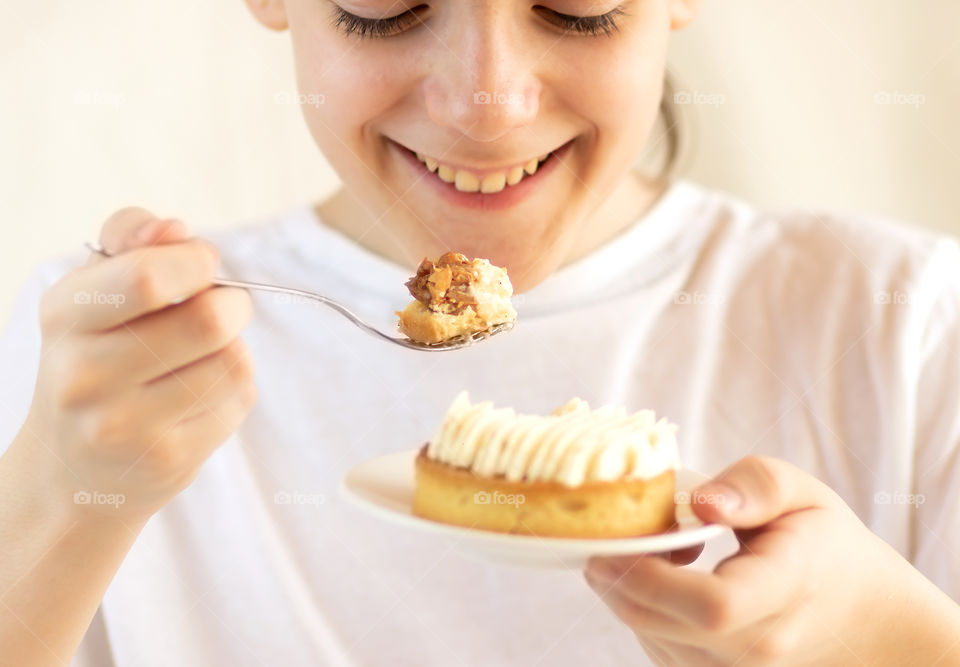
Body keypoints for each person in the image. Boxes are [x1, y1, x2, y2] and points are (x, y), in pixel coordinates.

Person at [1, 0, 959, 665]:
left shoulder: (905, 327)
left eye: (575, 5)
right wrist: (54, 500)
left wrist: (891, 645)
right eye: (387, 4)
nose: (487, 107)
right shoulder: (97, 367)